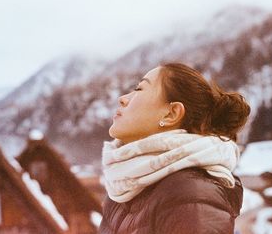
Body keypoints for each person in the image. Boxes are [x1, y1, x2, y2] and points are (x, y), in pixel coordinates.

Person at [98, 62, 250, 234]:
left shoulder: (190, 193)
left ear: (171, 114)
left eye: (139, 89)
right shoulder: (124, 189)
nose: (123, 98)